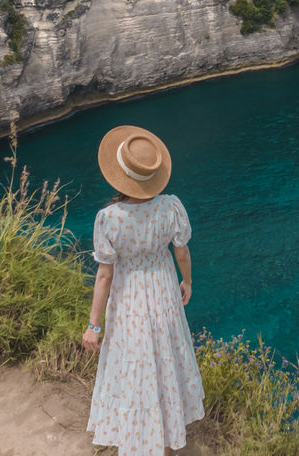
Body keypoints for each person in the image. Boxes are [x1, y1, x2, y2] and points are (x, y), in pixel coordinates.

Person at [82, 124, 205, 456]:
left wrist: (94, 325)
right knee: (165, 363)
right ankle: (165, 436)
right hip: (164, 294)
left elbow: (105, 277)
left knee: (135, 366)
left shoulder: (109, 218)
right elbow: (181, 251)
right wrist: (187, 281)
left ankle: (138, 439)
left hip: (129, 302)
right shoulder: (170, 207)